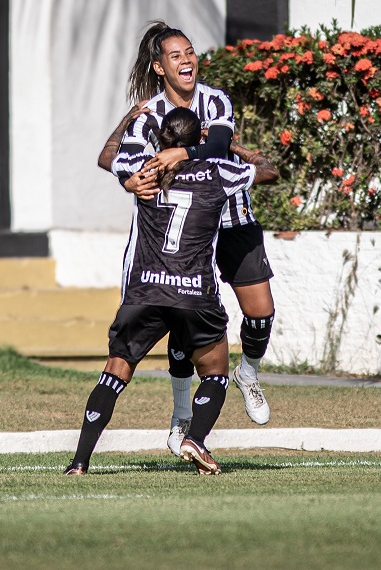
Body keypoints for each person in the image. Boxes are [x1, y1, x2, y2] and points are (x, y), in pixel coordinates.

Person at [98, 21, 277, 458]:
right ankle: (181, 415)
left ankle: (248, 374)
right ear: (159, 67)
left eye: (190, 52)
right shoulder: (149, 113)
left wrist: (183, 152)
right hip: (183, 231)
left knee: (261, 313)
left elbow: (217, 146)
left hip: (230, 219)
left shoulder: (215, 99)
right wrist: (133, 179)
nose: (187, 61)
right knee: (183, 323)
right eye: (176, 55)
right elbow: (115, 161)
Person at [70, 107, 279, 475]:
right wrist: (235, 147)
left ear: (162, 139)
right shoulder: (218, 171)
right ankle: (194, 440)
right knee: (215, 372)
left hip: (145, 289)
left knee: (115, 371)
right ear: (199, 139)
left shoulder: (145, 168)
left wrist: (128, 118)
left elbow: (107, 155)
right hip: (193, 291)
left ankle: (80, 461)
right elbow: (269, 171)